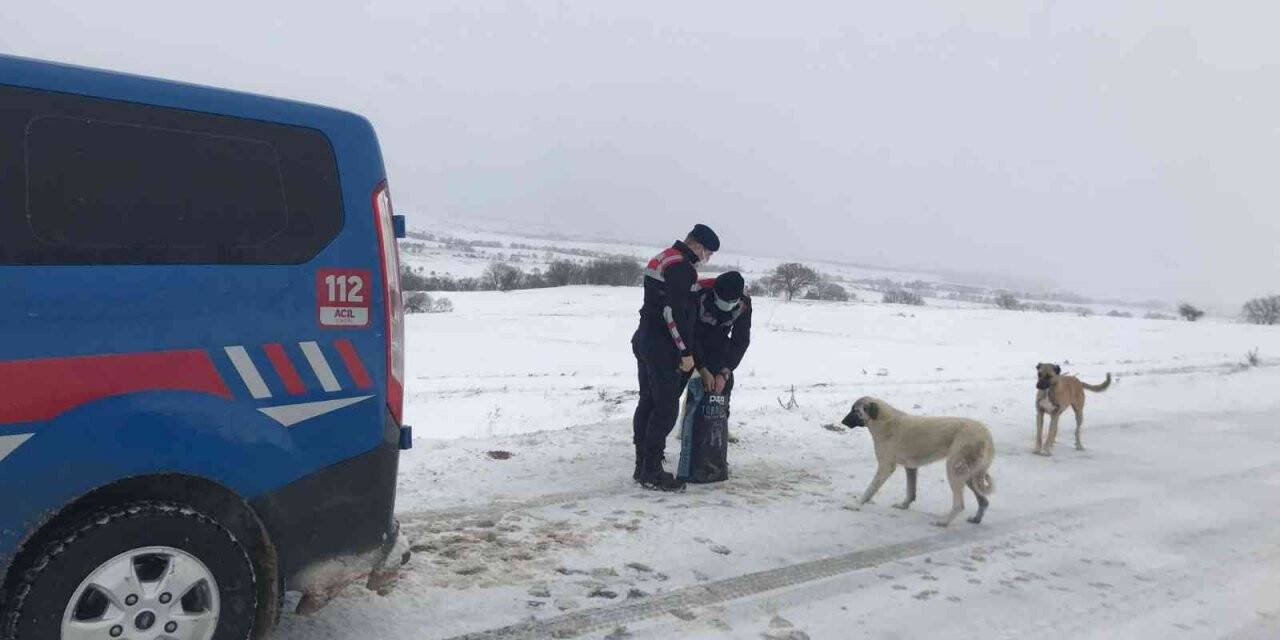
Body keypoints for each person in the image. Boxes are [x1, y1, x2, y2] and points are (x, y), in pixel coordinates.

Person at [632, 224, 719, 490]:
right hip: (663, 347)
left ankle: (642, 464)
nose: (707, 259)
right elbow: (673, 312)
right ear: (698, 246)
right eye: (708, 253)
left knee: (648, 402)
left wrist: (714, 282)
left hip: (644, 339)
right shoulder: (682, 267)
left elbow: (677, 293)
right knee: (666, 409)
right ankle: (651, 472)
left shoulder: (665, 257)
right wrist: (685, 353)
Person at [691, 271, 751, 411]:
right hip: (691, 341)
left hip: (718, 342)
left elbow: (740, 340)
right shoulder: (698, 292)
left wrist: (725, 372)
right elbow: (689, 333)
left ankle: (717, 423)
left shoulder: (744, 304)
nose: (728, 306)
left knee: (723, 384)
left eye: (732, 302)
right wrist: (702, 369)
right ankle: (688, 425)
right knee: (684, 384)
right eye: (724, 302)